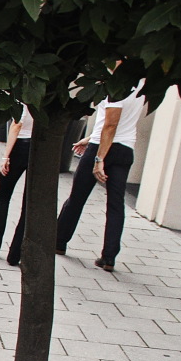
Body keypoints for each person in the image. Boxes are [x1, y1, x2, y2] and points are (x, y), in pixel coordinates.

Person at [55, 88, 145, 271]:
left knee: (77, 197)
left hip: (102, 149)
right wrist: (90, 138)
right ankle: (109, 257)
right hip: (125, 149)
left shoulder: (117, 87)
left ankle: (58, 241)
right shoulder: (142, 86)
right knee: (116, 205)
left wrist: (99, 159)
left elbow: (111, 124)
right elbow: (113, 124)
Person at [0, 105, 32, 265]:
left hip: (20, 146)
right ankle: (15, 255)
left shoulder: (26, 96)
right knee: (28, 205)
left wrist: (6, 156)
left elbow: (17, 124)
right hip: (39, 149)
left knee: (3, 198)